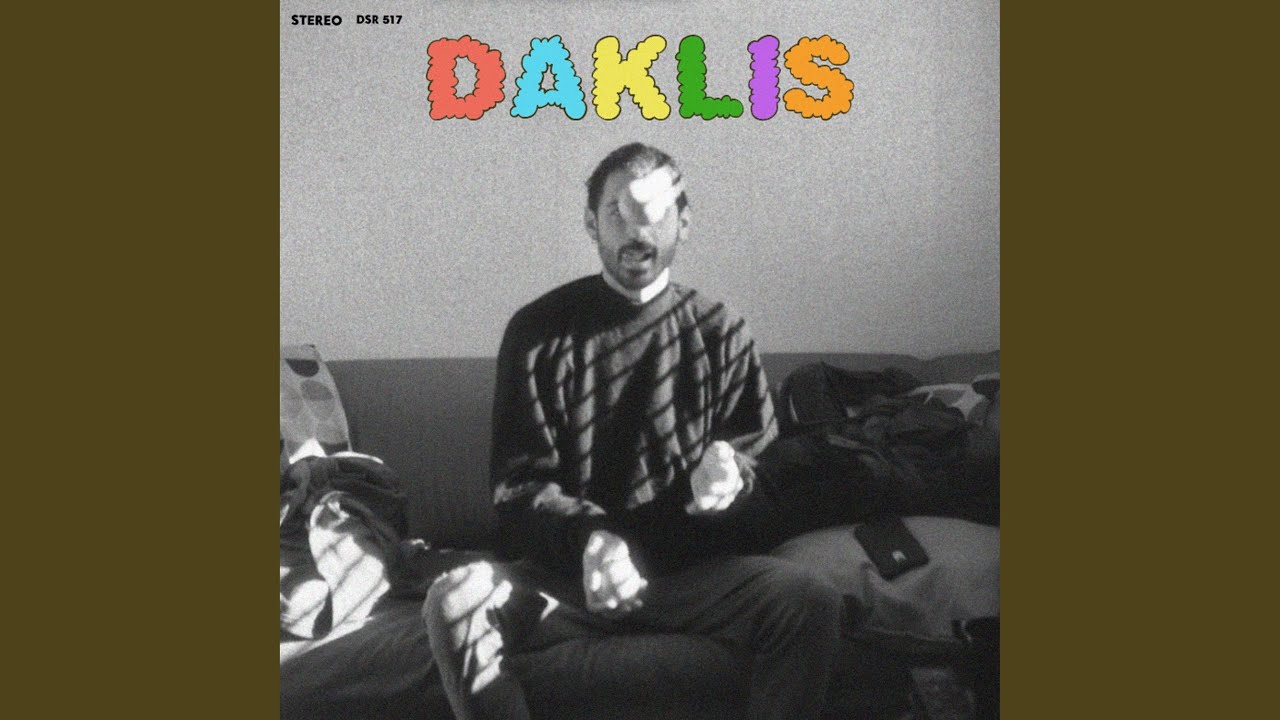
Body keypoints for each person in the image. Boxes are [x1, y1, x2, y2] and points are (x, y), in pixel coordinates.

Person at [422, 142, 842, 720]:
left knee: (810, 599)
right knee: (452, 600)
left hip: (692, 580)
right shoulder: (537, 333)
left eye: (654, 210)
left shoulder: (723, 332)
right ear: (590, 223)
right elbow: (517, 490)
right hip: (566, 581)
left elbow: (767, 495)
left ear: (683, 222)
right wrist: (592, 541)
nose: (635, 229)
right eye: (616, 211)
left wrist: (733, 483)